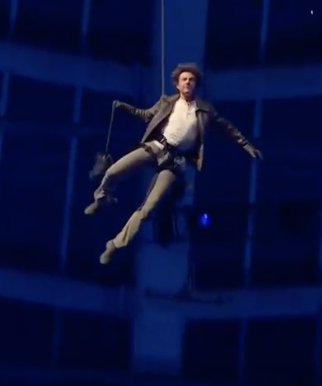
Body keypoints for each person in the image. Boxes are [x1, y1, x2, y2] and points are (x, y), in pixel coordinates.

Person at [86, 63, 262, 264]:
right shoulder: (167, 102)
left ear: (196, 85)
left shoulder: (205, 110)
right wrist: (124, 107)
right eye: (184, 79)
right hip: (155, 147)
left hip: (174, 161)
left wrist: (247, 146)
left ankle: (114, 245)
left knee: (148, 208)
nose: (188, 82)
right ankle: (101, 198)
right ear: (177, 85)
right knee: (112, 172)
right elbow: (145, 115)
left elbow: (228, 129)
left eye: (191, 79)